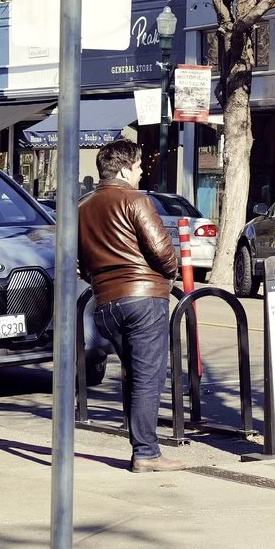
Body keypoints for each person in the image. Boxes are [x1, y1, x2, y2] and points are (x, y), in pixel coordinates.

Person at [79, 138, 186, 471]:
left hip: (105, 304)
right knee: (147, 377)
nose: (141, 172)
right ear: (125, 168)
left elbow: (81, 262)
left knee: (135, 373)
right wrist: (172, 268)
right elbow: (162, 251)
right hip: (144, 298)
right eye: (139, 166)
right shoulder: (135, 200)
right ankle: (147, 452)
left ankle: (142, 446)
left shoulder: (82, 208)